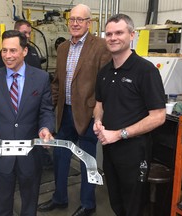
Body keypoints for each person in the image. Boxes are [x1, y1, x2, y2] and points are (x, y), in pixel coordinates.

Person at [38, 4, 111, 216]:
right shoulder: (62, 49)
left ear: (89, 22)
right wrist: (48, 107)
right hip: (64, 113)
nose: (75, 23)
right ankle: (59, 198)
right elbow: (57, 82)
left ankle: (88, 204)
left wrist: (97, 112)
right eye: (72, 19)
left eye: (81, 19)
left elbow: (103, 83)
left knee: (87, 160)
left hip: (88, 114)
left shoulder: (100, 46)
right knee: (60, 157)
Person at [93, 14, 166, 216]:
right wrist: (98, 120)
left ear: (132, 35)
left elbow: (158, 116)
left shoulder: (146, 71)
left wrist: (119, 134)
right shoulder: (105, 72)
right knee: (116, 202)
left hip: (135, 152)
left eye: (119, 32)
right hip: (110, 150)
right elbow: (99, 104)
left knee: (134, 205)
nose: (113, 37)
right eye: (109, 34)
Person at [0, 30, 55, 216]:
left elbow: (46, 111)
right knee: (3, 204)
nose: (8, 56)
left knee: (30, 203)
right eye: (4, 51)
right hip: (3, 154)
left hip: (30, 153)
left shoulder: (41, 78)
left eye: (13, 50)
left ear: (25, 51)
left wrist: (45, 128)